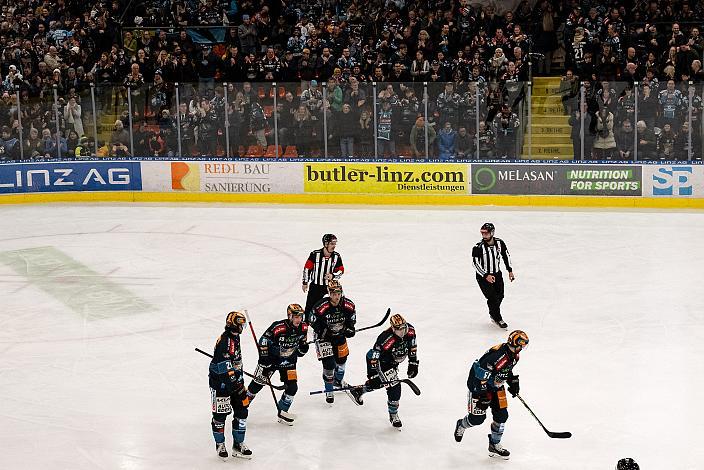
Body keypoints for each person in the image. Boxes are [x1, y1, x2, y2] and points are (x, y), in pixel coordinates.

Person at [453, 330, 529, 460]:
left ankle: (494, 444)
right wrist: (482, 395)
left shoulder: (514, 356)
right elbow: (479, 375)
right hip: (478, 385)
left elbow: (505, 370)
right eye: (521, 345)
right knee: (477, 419)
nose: (522, 348)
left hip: (495, 386)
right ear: (514, 343)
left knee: (502, 415)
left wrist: (512, 381)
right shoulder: (497, 355)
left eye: (524, 346)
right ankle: (461, 424)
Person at [349, 314, 419, 429]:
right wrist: (373, 376)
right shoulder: (386, 339)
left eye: (404, 327)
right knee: (394, 387)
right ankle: (393, 414)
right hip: (382, 364)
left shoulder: (410, 331)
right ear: (392, 328)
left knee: (382, 384)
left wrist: (413, 363)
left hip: (393, 363)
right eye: (399, 329)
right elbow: (372, 357)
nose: (402, 331)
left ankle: (360, 390)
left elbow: (413, 346)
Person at [246, 304, 309, 425]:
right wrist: (264, 358)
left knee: (292, 388)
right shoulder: (279, 327)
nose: (298, 320)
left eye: (300, 317)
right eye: (296, 317)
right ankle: (242, 406)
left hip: (288, 362)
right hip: (271, 361)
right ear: (289, 316)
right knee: (256, 385)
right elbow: (263, 340)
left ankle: (283, 412)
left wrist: (303, 349)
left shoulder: (304, 328)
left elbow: (300, 351)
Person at [209, 311, 252, 460]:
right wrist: (237, 387)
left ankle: (238, 443)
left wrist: (239, 384)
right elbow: (225, 370)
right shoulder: (225, 341)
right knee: (220, 416)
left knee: (242, 411)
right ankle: (220, 444)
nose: (242, 327)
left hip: (236, 383)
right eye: (241, 324)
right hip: (220, 385)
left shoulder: (235, 337)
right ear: (235, 325)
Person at [310, 280, 357, 403]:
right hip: (324, 338)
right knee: (329, 364)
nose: (336, 297)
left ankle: (338, 381)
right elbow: (311, 319)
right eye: (333, 294)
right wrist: (321, 330)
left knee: (342, 361)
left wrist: (350, 328)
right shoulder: (321, 306)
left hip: (339, 335)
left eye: (338, 293)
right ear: (329, 294)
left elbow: (352, 318)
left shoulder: (348, 305)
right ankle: (329, 389)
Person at [472, 223, 515, 329]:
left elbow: (506, 255)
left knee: (500, 296)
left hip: (497, 274)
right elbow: (475, 263)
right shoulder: (478, 247)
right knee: (492, 298)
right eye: (482, 233)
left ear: (492, 233)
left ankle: (493, 313)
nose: (484, 236)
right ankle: (497, 318)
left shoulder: (500, 243)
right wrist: (486, 275)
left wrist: (510, 271)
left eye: (486, 233)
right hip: (483, 277)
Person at [302, 234, 344, 319]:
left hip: (331, 287)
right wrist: (305, 282)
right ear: (326, 244)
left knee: (339, 303)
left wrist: (333, 276)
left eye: (335, 244)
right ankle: (306, 326)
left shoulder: (336, 256)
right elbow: (307, 269)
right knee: (310, 308)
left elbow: (341, 271)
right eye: (332, 244)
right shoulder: (315, 254)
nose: (334, 246)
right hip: (316, 286)